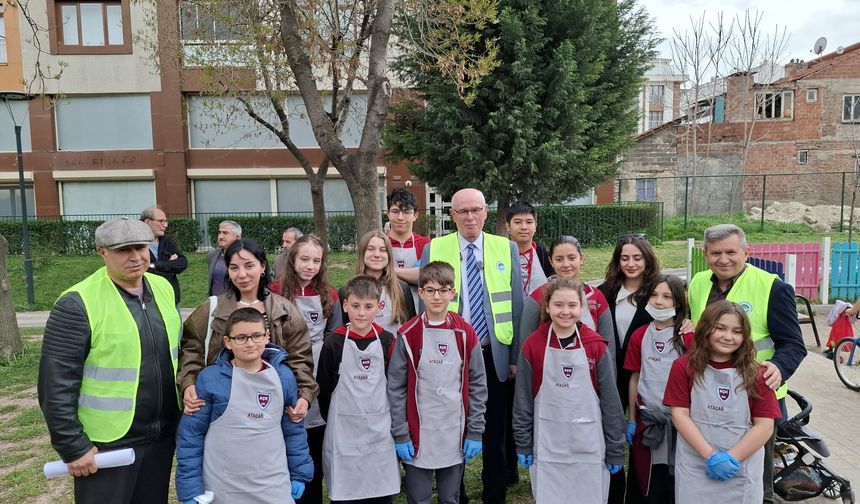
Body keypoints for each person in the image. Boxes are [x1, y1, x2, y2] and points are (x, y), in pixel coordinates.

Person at [38, 217, 181, 503]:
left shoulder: (162, 287)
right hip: (106, 445)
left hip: (161, 434)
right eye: (123, 250)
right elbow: (55, 384)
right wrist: (73, 445)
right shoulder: (77, 303)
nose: (136, 257)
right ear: (102, 252)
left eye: (141, 247)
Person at [687, 224, 807, 503]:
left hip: (757, 397)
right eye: (715, 253)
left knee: (755, 477)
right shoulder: (697, 283)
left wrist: (779, 367)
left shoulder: (772, 287)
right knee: (711, 467)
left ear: (746, 252)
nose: (723, 259)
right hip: (708, 394)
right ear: (705, 254)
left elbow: (794, 345)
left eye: (731, 251)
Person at [418, 188, 523, 504]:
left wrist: (514, 357)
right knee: (454, 425)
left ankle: (495, 494)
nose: (470, 217)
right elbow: (426, 304)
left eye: (476, 209)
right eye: (462, 211)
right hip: (450, 354)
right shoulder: (436, 247)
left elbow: (516, 304)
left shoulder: (505, 248)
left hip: (494, 350)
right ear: (452, 214)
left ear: (486, 211)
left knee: (495, 430)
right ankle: (456, 494)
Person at [175, 308, 314, 504]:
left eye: (256, 336)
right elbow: (191, 436)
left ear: (266, 336)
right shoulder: (210, 379)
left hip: (271, 483)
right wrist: (190, 489)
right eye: (241, 337)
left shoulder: (283, 377)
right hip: (223, 486)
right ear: (227, 342)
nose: (250, 343)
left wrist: (299, 473)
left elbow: (293, 430)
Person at [179, 238, 316, 427]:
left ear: (262, 267)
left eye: (249, 266)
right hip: (223, 407)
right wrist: (188, 384)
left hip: (271, 405)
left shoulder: (284, 310)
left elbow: (300, 358)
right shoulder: (211, 309)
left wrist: (304, 395)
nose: (242, 274)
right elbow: (191, 350)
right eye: (234, 267)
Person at [512, 277, 625, 503]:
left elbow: (611, 403)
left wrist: (615, 447)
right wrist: (523, 442)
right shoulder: (533, 346)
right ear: (547, 306)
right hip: (547, 447)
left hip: (589, 447)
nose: (566, 311)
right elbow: (522, 400)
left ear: (581, 307)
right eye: (558, 305)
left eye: (572, 305)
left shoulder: (595, 346)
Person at [388, 261, 488, 504]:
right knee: (419, 497)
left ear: (453, 293)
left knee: (450, 497)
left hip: (454, 431)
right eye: (430, 290)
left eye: (444, 290)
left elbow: (478, 384)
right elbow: (396, 388)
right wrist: (401, 434)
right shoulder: (408, 335)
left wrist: (475, 430)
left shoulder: (466, 333)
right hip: (418, 433)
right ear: (420, 292)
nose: (437, 296)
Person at [663, 301, 781, 503]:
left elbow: (764, 426)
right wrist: (710, 456)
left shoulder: (758, 374)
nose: (728, 337)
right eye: (720, 328)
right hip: (696, 463)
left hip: (741, 468)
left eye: (737, 331)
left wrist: (732, 458)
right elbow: (680, 415)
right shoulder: (683, 367)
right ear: (706, 328)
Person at [271, 233, 342, 504]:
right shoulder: (275, 291)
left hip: (318, 372)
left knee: (315, 437)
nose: (309, 266)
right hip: (284, 370)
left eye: (316, 260)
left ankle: (313, 493)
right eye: (304, 259)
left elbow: (334, 337)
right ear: (292, 259)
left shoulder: (330, 294)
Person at [317, 276, 400, 504]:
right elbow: (324, 390)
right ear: (345, 306)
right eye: (355, 306)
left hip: (380, 431)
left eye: (368, 306)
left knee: (380, 494)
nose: (361, 313)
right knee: (346, 493)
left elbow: (394, 384)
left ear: (379, 307)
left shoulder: (387, 340)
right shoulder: (333, 343)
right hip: (344, 432)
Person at [597, 233, 662, 503]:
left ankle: (637, 495)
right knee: (609, 434)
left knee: (640, 440)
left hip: (644, 376)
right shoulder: (605, 291)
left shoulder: (659, 292)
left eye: (637, 258)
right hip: (611, 374)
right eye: (625, 258)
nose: (631, 263)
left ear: (647, 260)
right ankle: (610, 491)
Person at [623, 275, 693, 504]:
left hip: (680, 423)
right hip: (647, 419)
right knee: (647, 477)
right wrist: (632, 419)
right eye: (654, 295)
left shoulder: (687, 337)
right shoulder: (640, 334)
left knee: (674, 478)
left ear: (679, 302)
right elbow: (635, 377)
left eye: (667, 297)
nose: (659, 302)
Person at [520, 235, 613, 342]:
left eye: (572, 258)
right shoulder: (537, 298)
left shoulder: (596, 297)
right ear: (551, 261)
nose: (566, 264)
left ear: (581, 258)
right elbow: (525, 346)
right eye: (559, 259)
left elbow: (608, 345)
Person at [342, 230, 416, 336]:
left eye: (383, 250)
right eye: (371, 249)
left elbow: (411, 329)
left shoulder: (402, 289)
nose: (377, 255)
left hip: (393, 351)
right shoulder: (347, 291)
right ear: (362, 253)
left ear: (389, 255)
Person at [141, 207, 188, 304]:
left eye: (165, 222)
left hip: (171, 300)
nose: (165, 225)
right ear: (147, 222)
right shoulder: (137, 245)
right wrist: (169, 267)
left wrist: (156, 265)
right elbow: (144, 272)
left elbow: (182, 263)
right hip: (149, 301)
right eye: (161, 221)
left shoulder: (167, 241)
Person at [505, 201, 554, 295]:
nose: (524, 227)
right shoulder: (499, 255)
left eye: (529, 222)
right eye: (518, 222)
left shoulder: (544, 256)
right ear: (508, 226)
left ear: (535, 226)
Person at [207, 220, 242, 296]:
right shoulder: (212, 255)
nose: (221, 236)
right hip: (216, 303)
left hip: (237, 303)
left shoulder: (245, 255)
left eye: (225, 233)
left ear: (237, 237)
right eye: (219, 232)